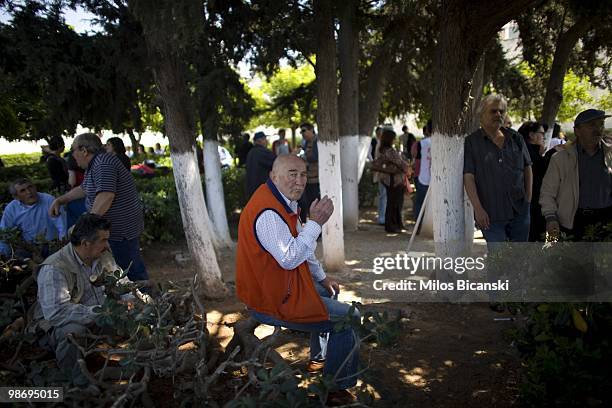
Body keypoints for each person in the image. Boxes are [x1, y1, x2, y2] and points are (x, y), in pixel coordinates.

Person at [236, 154, 359, 405]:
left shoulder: (281, 200)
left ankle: (319, 360)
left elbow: (302, 245)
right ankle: (336, 390)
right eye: (292, 174)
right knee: (349, 317)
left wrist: (322, 278)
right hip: (269, 301)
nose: (300, 181)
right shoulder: (268, 211)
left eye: (303, 175)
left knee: (328, 293)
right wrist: (316, 223)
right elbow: (290, 258)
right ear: (274, 176)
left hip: (278, 286)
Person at [31, 214, 132, 388]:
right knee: (74, 331)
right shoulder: (54, 269)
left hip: (96, 315)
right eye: (103, 240)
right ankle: (77, 382)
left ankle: (141, 362)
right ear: (86, 243)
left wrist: (134, 300)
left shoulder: (101, 255)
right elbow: (56, 313)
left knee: (133, 314)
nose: (107, 245)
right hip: (55, 326)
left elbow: (123, 282)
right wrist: (102, 312)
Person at [49, 133, 148, 281]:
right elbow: (84, 188)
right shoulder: (96, 164)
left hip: (121, 230)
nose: (72, 156)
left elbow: (106, 195)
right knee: (121, 270)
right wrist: (60, 200)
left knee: (131, 271)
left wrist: (87, 226)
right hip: (116, 229)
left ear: (83, 150)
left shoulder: (103, 163)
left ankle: (147, 301)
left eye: (73, 150)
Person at [463, 94, 533, 247]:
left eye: (501, 111)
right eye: (493, 111)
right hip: (491, 214)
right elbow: (468, 177)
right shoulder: (472, 142)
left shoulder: (516, 138)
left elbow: (528, 167)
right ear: (482, 115)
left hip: (520, 211)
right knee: (499, 260)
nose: (498, 115)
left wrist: (528, 200)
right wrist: (478, 208)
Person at [540, 109, 612, 241]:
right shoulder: (560, 158)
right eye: (592, 125)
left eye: (601, 124)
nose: (598, 129)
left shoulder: (609, 154)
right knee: (577, 261)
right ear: (577, 131)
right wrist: (550, 217)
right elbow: (547, 193)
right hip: (573, 221)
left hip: (606, 220)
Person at [0, 179, 67, 259]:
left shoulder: (49, 200)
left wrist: (63, 247)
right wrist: (3, 256)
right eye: (23, 190)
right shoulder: (11, 209)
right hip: (29, 247)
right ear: (16, 197)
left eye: (30, 187)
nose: (29, 192)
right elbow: (5, 232)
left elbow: (62, 225)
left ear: (35, 187)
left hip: (52, 244)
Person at [371, 128, 410, 233]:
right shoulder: (389, 151)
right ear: (390, 139)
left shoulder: (382, 149)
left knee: (392, 203)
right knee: (394, 204)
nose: (395, 140)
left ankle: (395, 224)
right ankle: (392, 225)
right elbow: (400, 163)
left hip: (389, 180)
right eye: (393, 138)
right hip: (394, 181)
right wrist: (407, 166)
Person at [518, 121, 548, 241]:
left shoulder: (525, 151)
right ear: (531, 135)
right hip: (532, 207)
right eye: (541, 133)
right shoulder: (528, 154)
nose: (543, 137)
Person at [298, 123, 321, 223]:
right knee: (309, 204)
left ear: (311, 129)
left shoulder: (316, 141)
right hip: (308, 178)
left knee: (315, 205)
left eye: (304, 131)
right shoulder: (307, 143)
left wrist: (304, 158)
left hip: (316, 179)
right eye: (301, 132)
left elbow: (315, 157)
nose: (302, 134)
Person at [245, 131, 276, 199]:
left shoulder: (251, 152)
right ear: (259, 141)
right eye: (265, 139)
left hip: (252, 190)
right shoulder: (262, 152)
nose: (266, 141)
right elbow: (278, 162)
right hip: (261, 190)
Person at [413, 120, 432, 223]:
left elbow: (417, 159)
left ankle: (419, 224)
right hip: (437, 180)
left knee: (420, 203)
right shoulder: (444, 140)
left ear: (428, 130)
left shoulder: (422, 143)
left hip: (423, 177)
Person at [369, 126, 386, 225]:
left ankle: (381, 216)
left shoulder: (378, 143)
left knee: (382, 196)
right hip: (382, 173)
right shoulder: (379, 144)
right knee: (383, 196)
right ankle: (381, 217)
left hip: (380, 172)